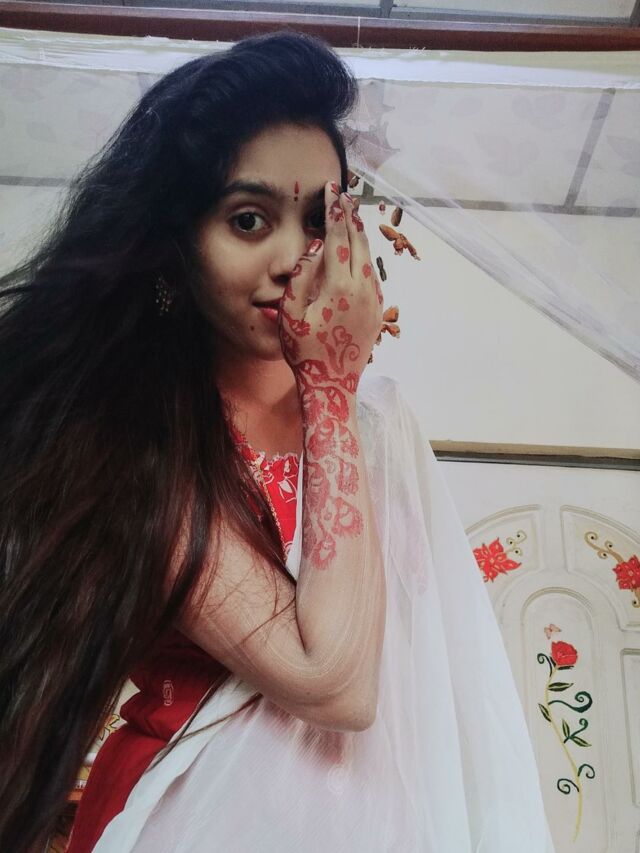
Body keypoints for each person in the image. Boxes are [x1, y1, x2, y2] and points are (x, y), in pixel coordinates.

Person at [0, 31, 556, 853]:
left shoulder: (382, 422)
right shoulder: (138, 434)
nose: (294, 257)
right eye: (249, 220)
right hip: (191, 818)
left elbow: (446, 677)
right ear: (178, 246)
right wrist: (329, 384)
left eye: (319, 219)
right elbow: (331, 680)